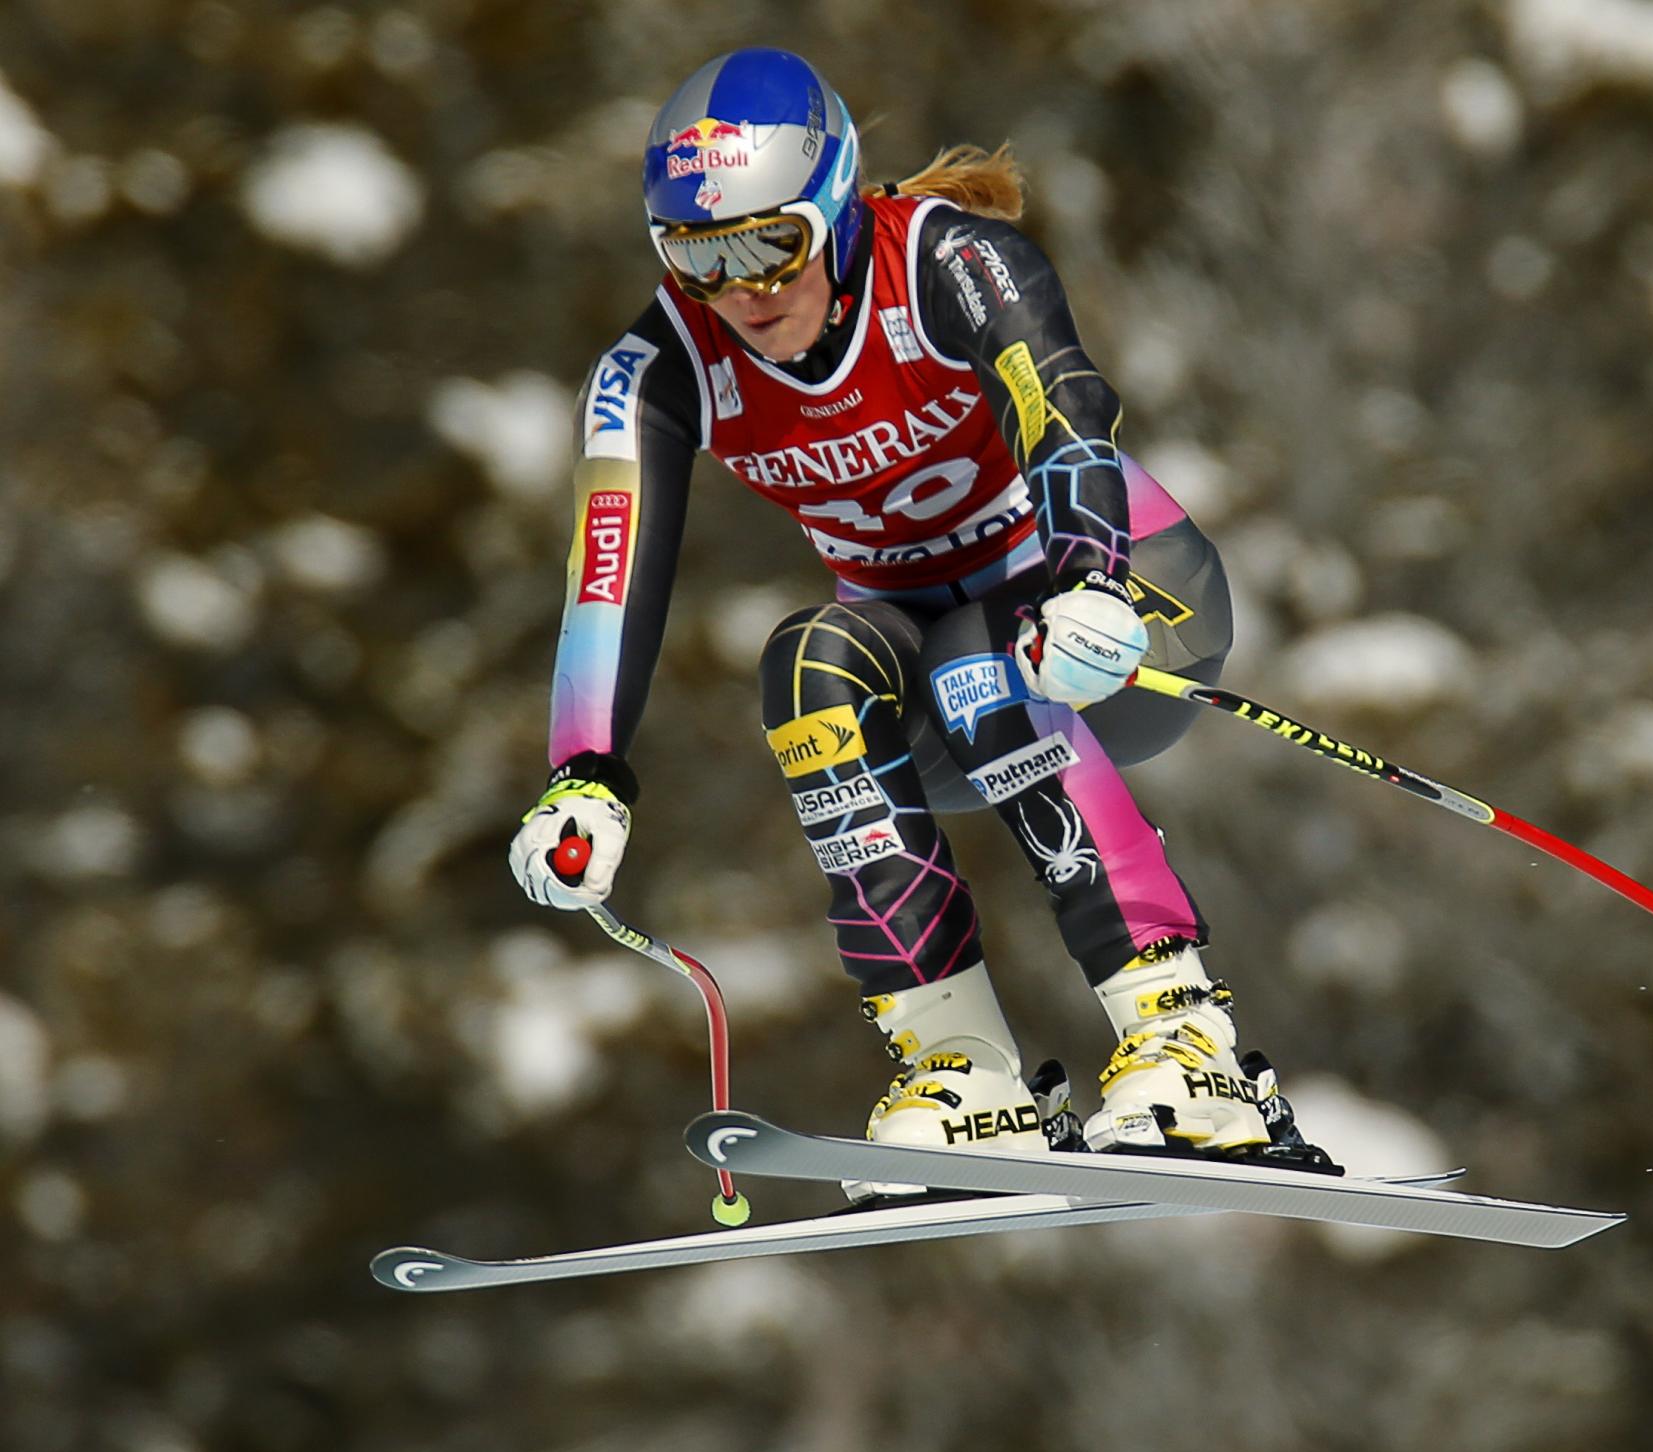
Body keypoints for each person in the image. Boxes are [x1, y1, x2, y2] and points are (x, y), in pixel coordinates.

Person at [507, 46, 1307, 1191]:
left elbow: (1066, 412)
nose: (742, 289)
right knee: (807, 667)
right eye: (698, 257)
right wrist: (585, 770)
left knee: (990, 664)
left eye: (768, 243)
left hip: (1128, 610)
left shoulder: (948, 262)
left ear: (833, 207)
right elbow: (610, 568)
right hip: (932, 664)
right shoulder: (657, 367)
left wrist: (1085, 578)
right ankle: (962, 1071)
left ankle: (1188, 1043)